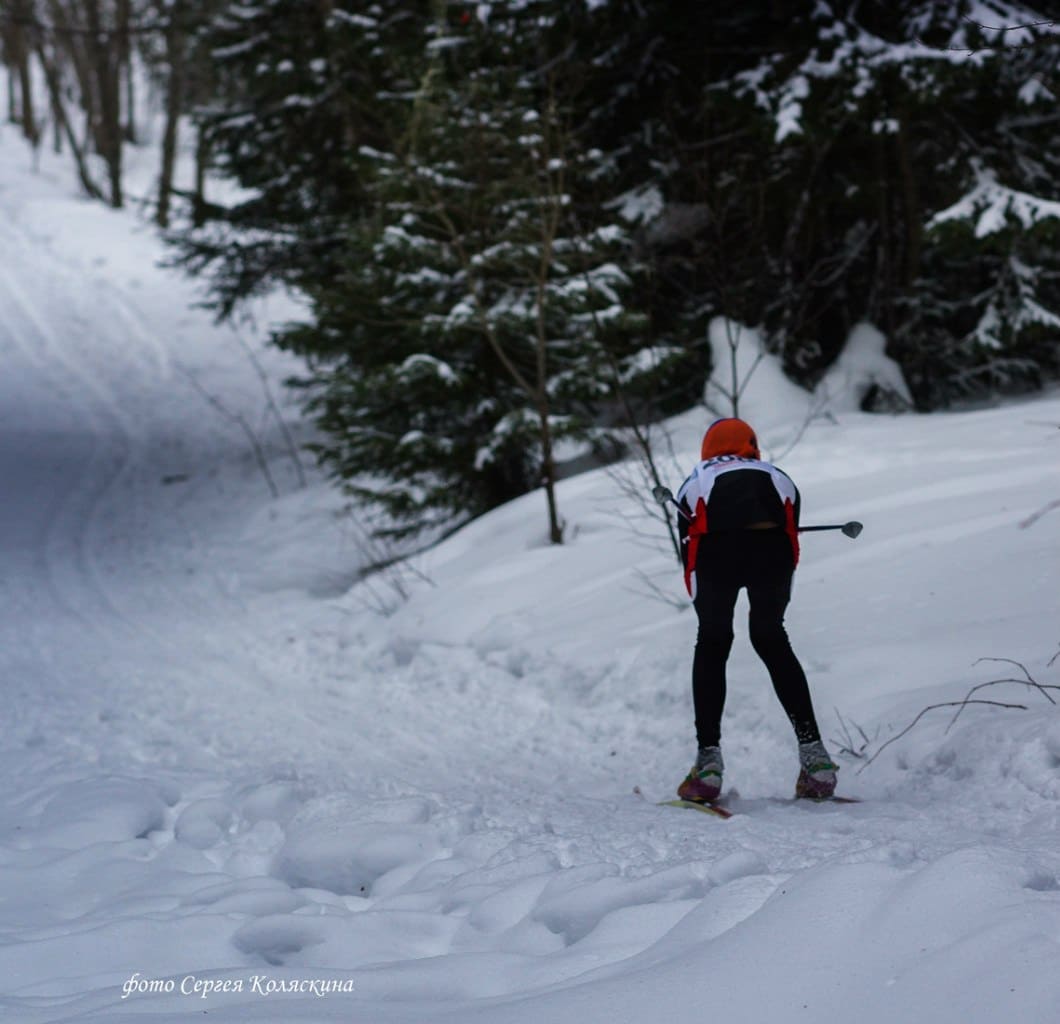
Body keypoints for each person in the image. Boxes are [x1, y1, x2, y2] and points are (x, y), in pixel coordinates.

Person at [672, 417, 838, 802]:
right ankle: (815, 759)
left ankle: (708, 765)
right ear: (752, 446)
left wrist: (704, 607)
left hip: (715, 554)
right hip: (772, 553)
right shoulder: (776, 475)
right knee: (771, 638)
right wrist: (774, 604)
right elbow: (792, 539)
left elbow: (688, 548)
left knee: (713, 643)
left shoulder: (696, 479)